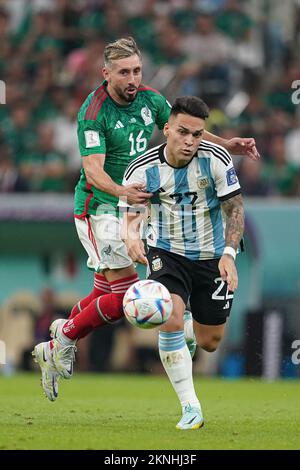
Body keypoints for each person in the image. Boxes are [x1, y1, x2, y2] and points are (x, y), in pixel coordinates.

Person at [32, 37, 254, 402]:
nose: (133, 78)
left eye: (137, 70)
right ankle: (65, 339)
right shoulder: (93, 112)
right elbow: (93, 170)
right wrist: (123, 193)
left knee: (106, 292)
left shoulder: (150, 98)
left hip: (134, 207)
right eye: (124, 72)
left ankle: (62, 333)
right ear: (106, 74)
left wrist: (227, 144)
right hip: (99, 208)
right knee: (125, 294)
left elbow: (184, 126)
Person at [119, 96, 245, 430]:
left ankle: (191, 330)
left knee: (210, 342)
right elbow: (130, 215)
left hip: (213, 255)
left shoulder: (217, 159)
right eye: (183, 132)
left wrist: (230, 256)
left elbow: (235, 210)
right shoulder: (142, 169)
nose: (189, 141)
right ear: (167, 129)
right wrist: (132, 237)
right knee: (170, 317)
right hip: (166, 252)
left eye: (197, 134)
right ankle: (191, 408)